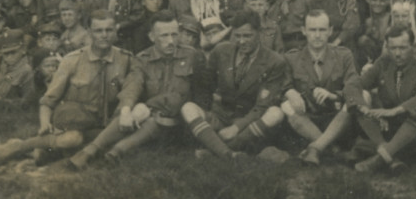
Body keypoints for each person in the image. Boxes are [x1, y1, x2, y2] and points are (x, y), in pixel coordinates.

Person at [0, 11, 134, 165]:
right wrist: (45, 123)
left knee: (107, 147)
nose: (104, 35)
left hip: (107, 126)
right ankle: (18, 147)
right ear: (89, 32)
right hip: (75, 123)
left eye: (109, 30)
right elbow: (48, 100)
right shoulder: (72, 60)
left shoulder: (126, 60)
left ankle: (43, 151)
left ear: (115, 31)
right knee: (72, 139)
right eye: (98, 31)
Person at [67, 12, 208, 168]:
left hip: (181, 123)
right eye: (164, 36)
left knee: (149, 115)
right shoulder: (143, 59)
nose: (171, 41)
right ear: (152, 37)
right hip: (152, 120)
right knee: (138, 113)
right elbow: (133, 85)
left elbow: (202, 95)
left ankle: (114, 152)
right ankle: (92, 151)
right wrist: (126, 110)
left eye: (174, 35)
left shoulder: (192, 56)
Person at [180, 10, 290, 157]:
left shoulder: (274, 61)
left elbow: (262, 106)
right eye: (238, 36)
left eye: (247, 36)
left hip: (248, 121)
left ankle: (214, 149)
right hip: (221, 115)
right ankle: (228, 153)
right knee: (188, 108)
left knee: (276, 113)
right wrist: (208, 109)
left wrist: (236, 128)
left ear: (259, 33)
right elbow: (206, 86)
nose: (242, 41)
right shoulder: (221, 51)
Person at [351, 26, 416, 173]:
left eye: (403, 48)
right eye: (393, 48)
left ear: (414, 46)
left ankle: (380, 157)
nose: (397, 54)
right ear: (387, 47)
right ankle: (390, 157)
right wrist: (363, 105)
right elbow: (357, 85)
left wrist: (396, 110)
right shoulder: (383, 64)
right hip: (391, 129)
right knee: (360, 98)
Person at [280, 10, 361, 165]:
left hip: (337, 119)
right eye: (312, 30)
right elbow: (281, 86)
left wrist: (334, 95)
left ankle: (316, 148)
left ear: (330, 31)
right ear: (304, 31)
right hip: (307, 121)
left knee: (360, 97)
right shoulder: (291, 58)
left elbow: (354, 86)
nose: (317, 35)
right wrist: (289, 92)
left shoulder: (344, 55)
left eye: (322, 30)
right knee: (286, 104)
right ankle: (332, 149)